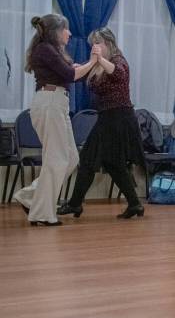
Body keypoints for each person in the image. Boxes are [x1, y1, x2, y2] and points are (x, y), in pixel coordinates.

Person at [13, 14, 94, 226]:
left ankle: (31, 196)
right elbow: (70, 75)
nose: (69, 33)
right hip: (50, 102)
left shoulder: (50, 50)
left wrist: (80, 67)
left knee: (70, 158)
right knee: (57, 158)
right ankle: (42, 213)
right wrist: (92, 61)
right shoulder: (45, 49)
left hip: (57, 103)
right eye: (66, 29)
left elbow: (69, 73)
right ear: (56, 31)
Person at [57, 28, 146, 220]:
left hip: (119, 118)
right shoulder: (98, 65)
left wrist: (99, 60)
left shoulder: (118, 61)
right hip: (108, 118)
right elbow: (81, 78)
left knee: (88, 159)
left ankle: (75, 204)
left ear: (108, 43)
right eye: (93, 44)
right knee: (114, 164)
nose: (94, 47)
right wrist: (87, 64)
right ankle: (135, 204)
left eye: (98, 43)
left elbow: (119, 74)